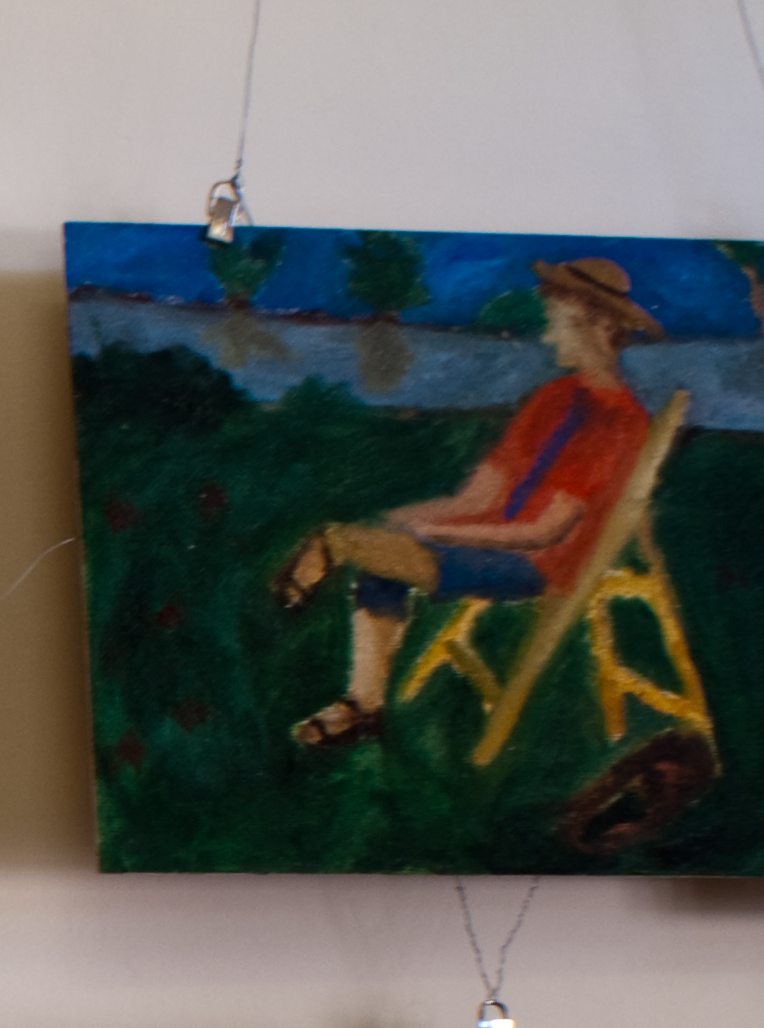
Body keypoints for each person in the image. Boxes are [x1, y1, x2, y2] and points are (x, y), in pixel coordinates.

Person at [270, 255, 666, 750]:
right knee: (379, 553)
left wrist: (441, 533)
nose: (549, 337)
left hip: (537, 563)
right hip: (495, 538)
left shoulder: (618, 422)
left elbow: (545, 533)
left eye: (559, 323)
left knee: (366, 548)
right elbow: (481, 495)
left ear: (601, 325)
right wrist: (402, 520)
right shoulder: (553, 399)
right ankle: (363, 706)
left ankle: (328, 562)